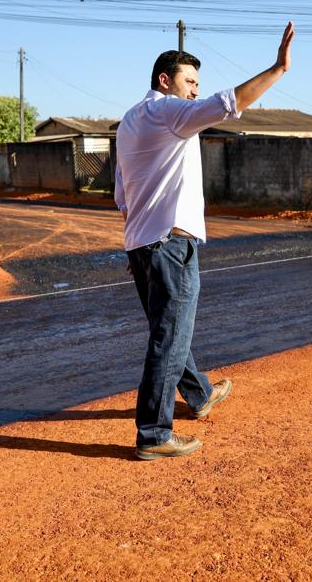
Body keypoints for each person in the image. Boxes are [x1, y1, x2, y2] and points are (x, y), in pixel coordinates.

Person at [115, 22, 295, 460]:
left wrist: (137, 247)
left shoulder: (130, 121)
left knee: (169, 330)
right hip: (171, 244)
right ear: (165, 81)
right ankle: (154, 435)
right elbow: (230, 103)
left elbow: (122, 194)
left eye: (198, 83)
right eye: (190, 82)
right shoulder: (168, 113)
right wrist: (278, 68)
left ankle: (199, 395)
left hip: (142, 244)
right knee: (170, 336)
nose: (195, 91)